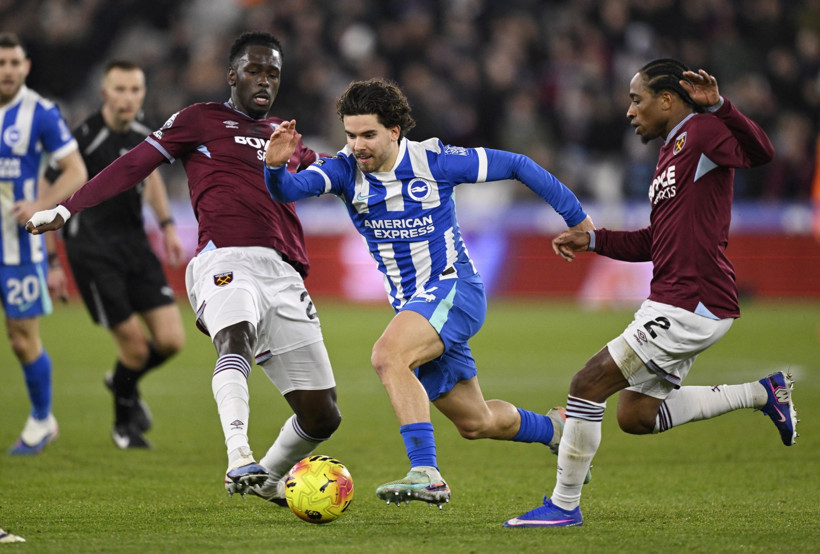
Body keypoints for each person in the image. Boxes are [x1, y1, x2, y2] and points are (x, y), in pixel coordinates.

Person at [26, 31, 341, 502]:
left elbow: (338, 174)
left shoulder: (285, 137)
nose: (264, 80)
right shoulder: (201, 119)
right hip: (225, 258)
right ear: (232, 74)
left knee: (323, 415)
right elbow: (133, 164)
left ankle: (267, 478)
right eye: (254, 70)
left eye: (272, 72)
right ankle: (239, 456)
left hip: (284, 274)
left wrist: (380, 160)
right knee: (236, 335)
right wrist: (67, 208)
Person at [263, 78, 595, 508]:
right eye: (350, 134)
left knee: (387, 356)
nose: (357, 145)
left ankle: (427, 473)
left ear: (395, 131)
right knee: (475, 421)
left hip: (453, 288)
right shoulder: (344, 170)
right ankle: (559, 429)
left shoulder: (435, 160)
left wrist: (578, 220)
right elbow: (288, 191)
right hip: (414, 306)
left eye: (368, 135)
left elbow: (518, 164)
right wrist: (275, 166)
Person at [504, 59, 795, 528]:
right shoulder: (670, 152)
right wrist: (594, 240)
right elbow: (654, 240)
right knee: (637, 416)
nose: (629, 111)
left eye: (637, 99)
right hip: (674, 299)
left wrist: (720, 106)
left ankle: (562, 505)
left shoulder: (701, 131)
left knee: (586, 384)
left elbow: (760, 151)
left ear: (667, 100)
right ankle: (764, 393)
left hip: (692, 301)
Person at [42, 60, 185, 449]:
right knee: (136, 349)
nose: (128, 98)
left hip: (135, 245)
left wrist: (168, 224)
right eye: (119, 89)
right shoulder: (81, 140)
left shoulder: (145, 135)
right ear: (104, 93)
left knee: (172, 340)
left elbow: (150, 175)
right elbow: (47, 198)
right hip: (91, 251)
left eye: (135, 90)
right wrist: (52, 261)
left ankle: (122, 378)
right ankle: (124, 425)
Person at [1, 32, 88, 455]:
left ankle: (42, 419)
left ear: (26, 66)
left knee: (21, 338)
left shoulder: (40, 113)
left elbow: (76, 171)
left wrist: (38, 203)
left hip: (18, 246)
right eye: (1, 63)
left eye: (14, 63)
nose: (8, 70)